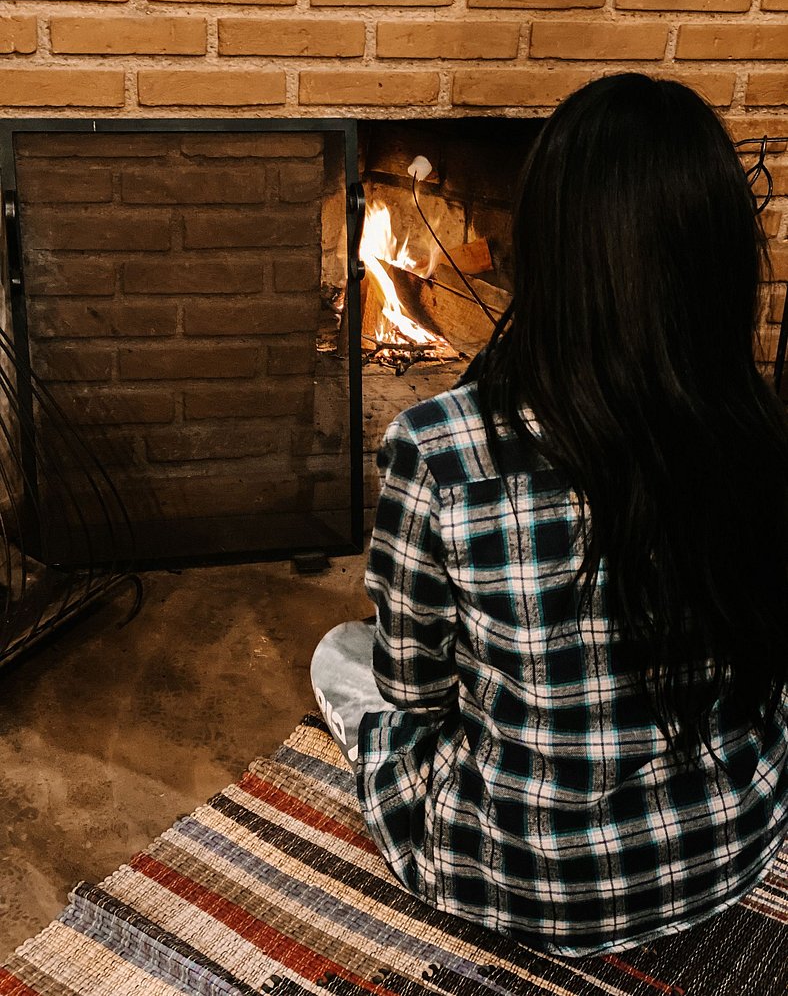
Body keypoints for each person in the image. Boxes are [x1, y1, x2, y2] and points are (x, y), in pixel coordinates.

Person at [310, 72, 788, 958]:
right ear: (720, 260)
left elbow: (417, 689)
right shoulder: (758, 430)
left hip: (526, 878)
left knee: (340, 658)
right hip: (732, 842)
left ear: (547, 248)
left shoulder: (439, 446)